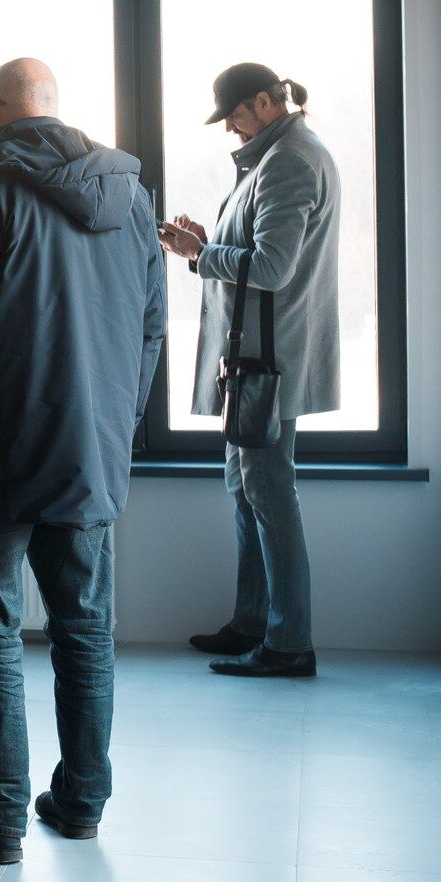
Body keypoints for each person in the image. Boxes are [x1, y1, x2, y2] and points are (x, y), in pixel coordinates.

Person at [0, 59, 166, 864]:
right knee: (85, 627)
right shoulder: (128, 194)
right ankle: (81, 800)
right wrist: (117, 430)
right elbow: (150, 326)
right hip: (90, 452)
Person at [159, 63, 340, 680]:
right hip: (260, 358)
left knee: (268, 493)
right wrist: (208, 243)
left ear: (263, 102)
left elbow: (270, 268)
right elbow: (258, 251)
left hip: (270, 361)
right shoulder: (279, 156)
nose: (229, 129)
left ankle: (288, 644)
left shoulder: (289, 161)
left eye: (233, 115)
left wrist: (198, 253)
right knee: (247, 488)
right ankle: (252, 623)